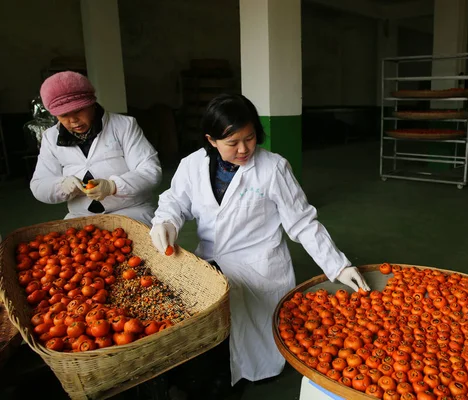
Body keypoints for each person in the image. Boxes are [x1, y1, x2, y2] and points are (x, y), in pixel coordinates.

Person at [149, 93, 370, 389]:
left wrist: (338, 266)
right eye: (233, 142)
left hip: (259, 265)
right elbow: (176, 201)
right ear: (211, 140)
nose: (244, 149)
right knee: (213, 334)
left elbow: (302, 222)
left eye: (250, 138)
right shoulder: (192, 166)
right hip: (211, 262)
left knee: (258, 339)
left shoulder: (273, 168)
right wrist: (166, 221)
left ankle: (257, 372)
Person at [30, 71, 162, 226]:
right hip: (81, 216)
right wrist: (62, 186)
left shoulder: (124, 126)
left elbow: (150, 171)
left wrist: (114, 186)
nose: (73, 120)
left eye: (78, 111)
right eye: (64, 115)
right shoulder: (51, 138)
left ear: (91, 103)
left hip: (131, 211)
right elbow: (39, 186)